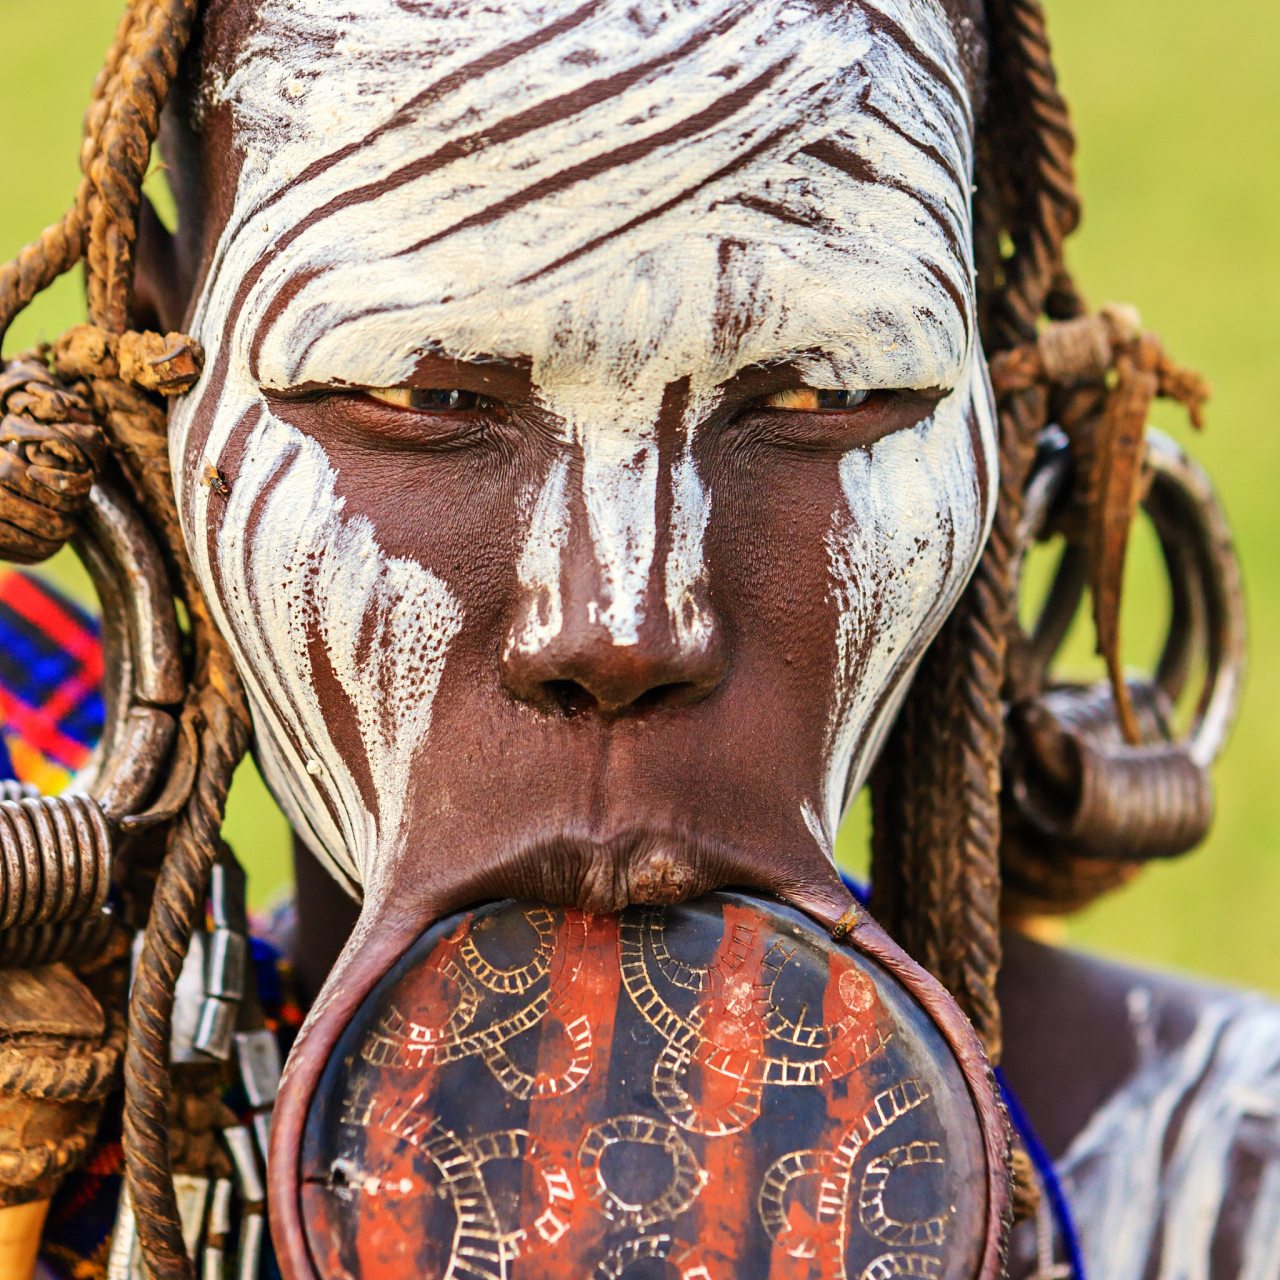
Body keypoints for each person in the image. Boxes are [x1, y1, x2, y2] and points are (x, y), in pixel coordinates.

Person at [0, 0, 1269, 1278]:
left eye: (820, 392)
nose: (618, 625)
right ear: (151, 400)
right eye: (428, 395)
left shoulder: (1225, 1190)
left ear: (1003, 412)